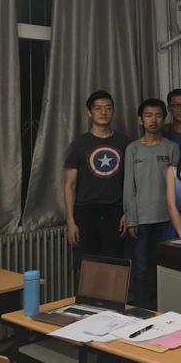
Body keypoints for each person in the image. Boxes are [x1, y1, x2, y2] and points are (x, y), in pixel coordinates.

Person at [64, 90, 129, 273]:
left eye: (108, 108)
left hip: (115, 212)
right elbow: (69, 185)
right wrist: (70, 221)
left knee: (114, 268)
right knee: (86, 268)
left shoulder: (124, 142)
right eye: (98, 108)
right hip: (85, 212)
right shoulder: (78, 144)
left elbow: (131, 182)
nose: (103, 112)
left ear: (113, 111)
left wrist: (128, 213)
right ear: (89, 112)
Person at [123, 98, 179, 309]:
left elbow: (177, 186)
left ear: (164, 119)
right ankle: (142, 310)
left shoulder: (172, 147)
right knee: (140, 269)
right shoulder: (132, 149)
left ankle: (162, 309)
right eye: (148, 115)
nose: (153, 120)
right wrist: (131, 218)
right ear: (140, 120)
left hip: (167, 218)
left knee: (163, 268)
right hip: (141, 219)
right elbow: (128, 186)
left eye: (158, 115)